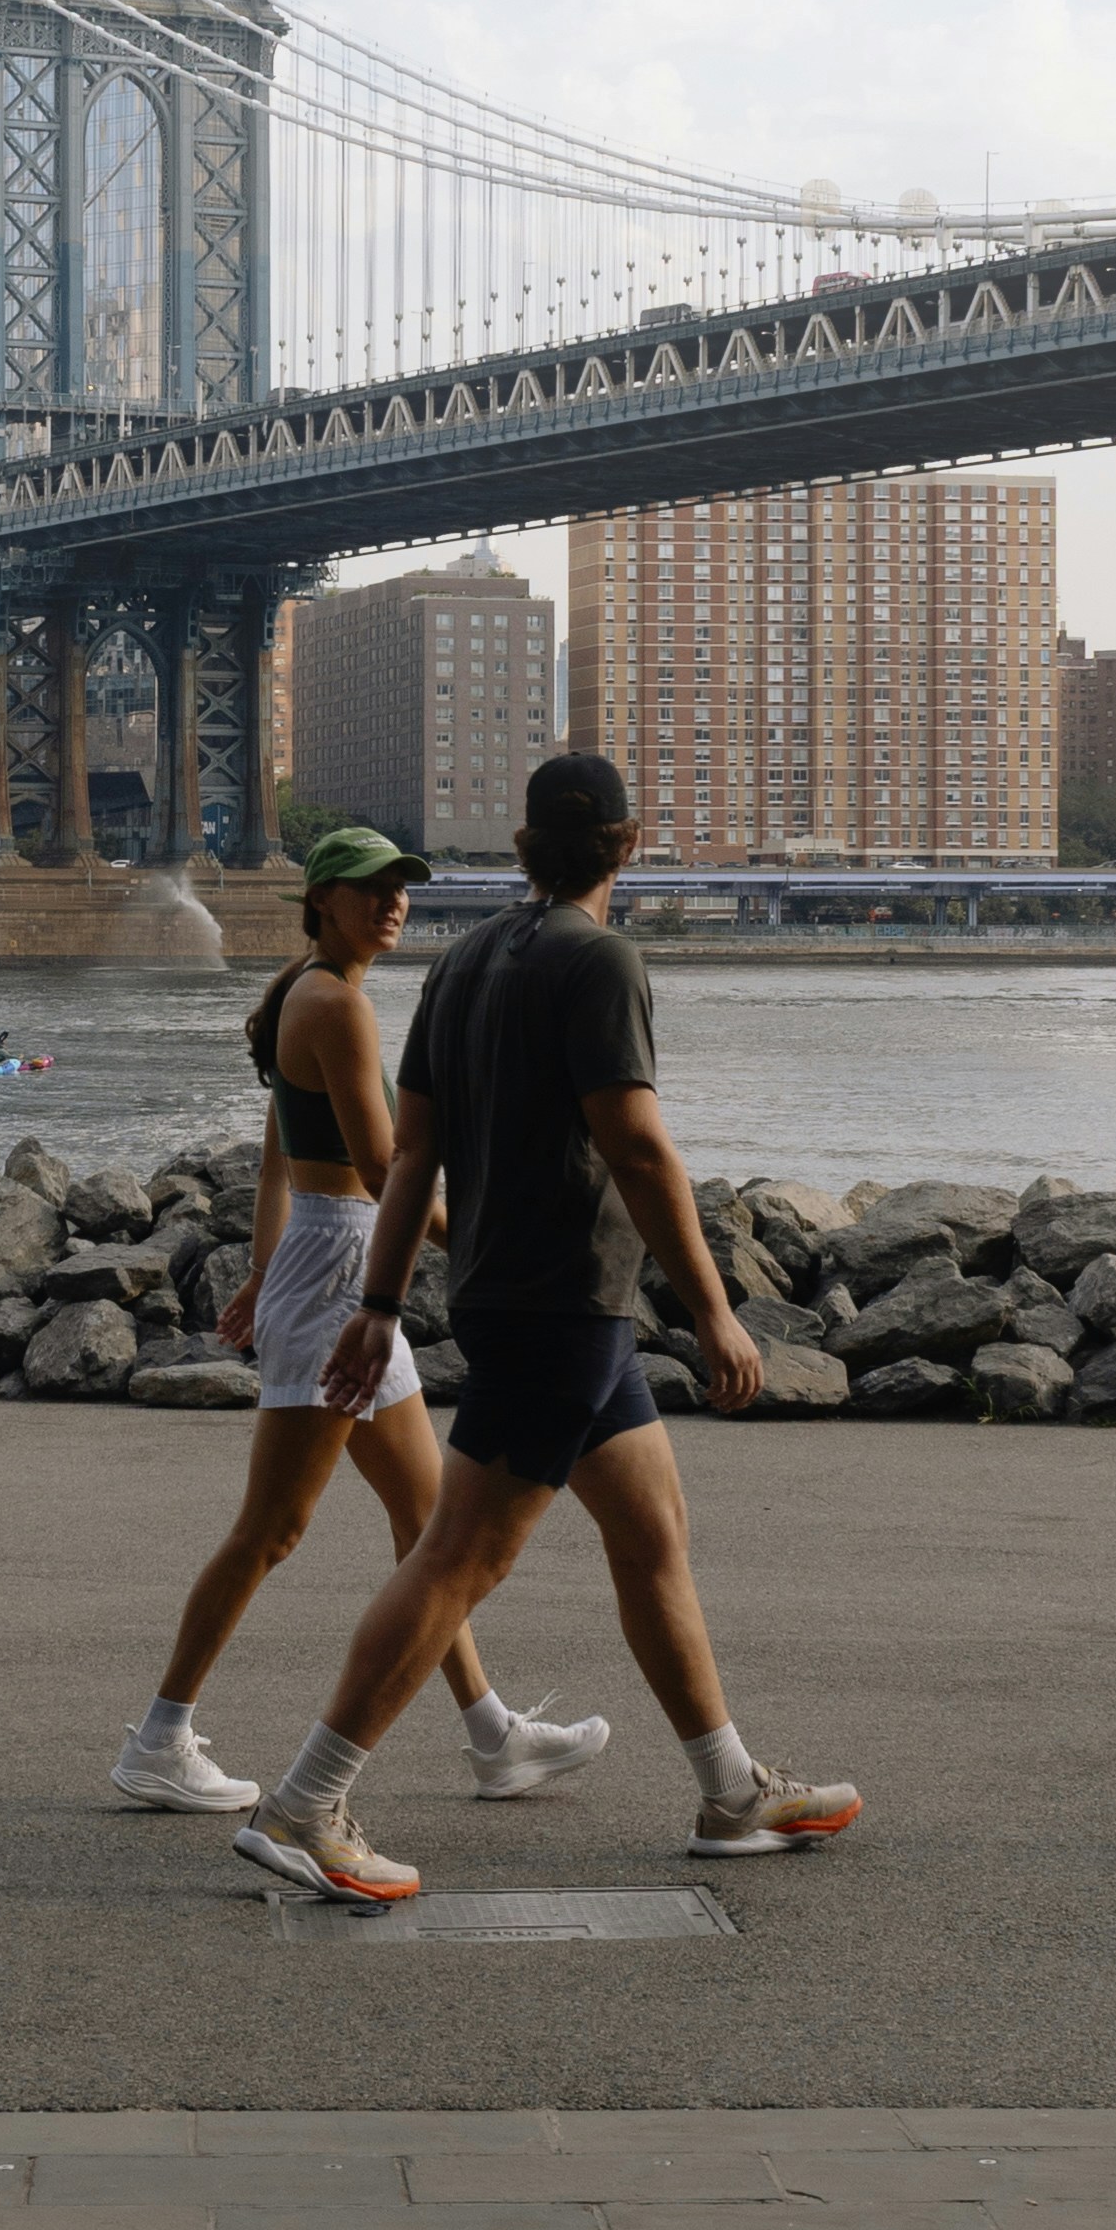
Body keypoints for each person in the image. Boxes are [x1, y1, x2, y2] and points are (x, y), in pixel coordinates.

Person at [237, 743, 864, 1910]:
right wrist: (719, 1311)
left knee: (651, 1531)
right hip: (558, 1295)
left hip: (513, 1291)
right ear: (625, 847)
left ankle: (731, 1793)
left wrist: (380, 1306)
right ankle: (305, 1804)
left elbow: (413, 1150)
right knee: (459, 1555)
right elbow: (633, 1144)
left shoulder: (463, 960)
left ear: (524, 847)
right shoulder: (599, 960)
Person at [111, 824, 611, 1819]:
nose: (392, 904)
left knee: (428, 1528)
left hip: (327, 1264)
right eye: (369, 889)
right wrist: (474, 1243)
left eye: (401, 889)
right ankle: (159, 1738)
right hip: (342, 1270)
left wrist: (264, 1273)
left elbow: (275, 1162)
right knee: (272, 1529)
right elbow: (387, 1169)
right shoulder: (334, 1004)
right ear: (321, 901)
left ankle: (492, 1738)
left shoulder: (311, 994)